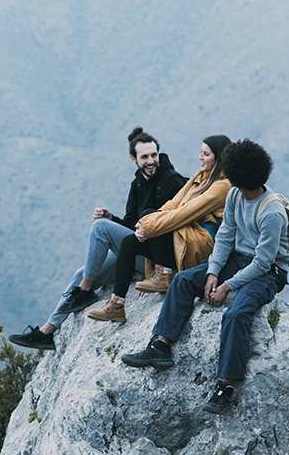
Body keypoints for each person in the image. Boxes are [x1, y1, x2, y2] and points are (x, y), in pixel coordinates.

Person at [120, 137, 289, 409]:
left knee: (237, 312)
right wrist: (212, 272)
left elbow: (263, 263)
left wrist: (226, 286)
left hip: (268, 272)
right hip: (237, 258)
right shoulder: (235, 194)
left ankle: (226, 386)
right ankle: (160, 345)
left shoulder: (271, 212)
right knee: (184, 280)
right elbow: (225, 236)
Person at [8, 127, 186, 350]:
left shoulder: (172, 182)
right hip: (137, 250)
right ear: (134, 159)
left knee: (100, 228)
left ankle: (85, 291)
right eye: (144, 157)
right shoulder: (138, 184)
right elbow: (132, 224)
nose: (151, 161)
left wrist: (153, 272)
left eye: (153, 155)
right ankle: (48, 331)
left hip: (161, 262)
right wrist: (111, 217)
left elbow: (176, 228)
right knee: (82, 271)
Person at [86, 134, 232, 325]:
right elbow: (173, 204)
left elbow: (185, 214)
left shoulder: (223, 186)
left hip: (199, 243)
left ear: (219, 157)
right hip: (183, 236)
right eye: (201, 153)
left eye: (205, 154)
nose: (200, 157)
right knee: (130, 241)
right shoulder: (200, 177)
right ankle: (117, 305)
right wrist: (145, 222)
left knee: (155, 221)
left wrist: (148, 226)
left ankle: (165, 275)